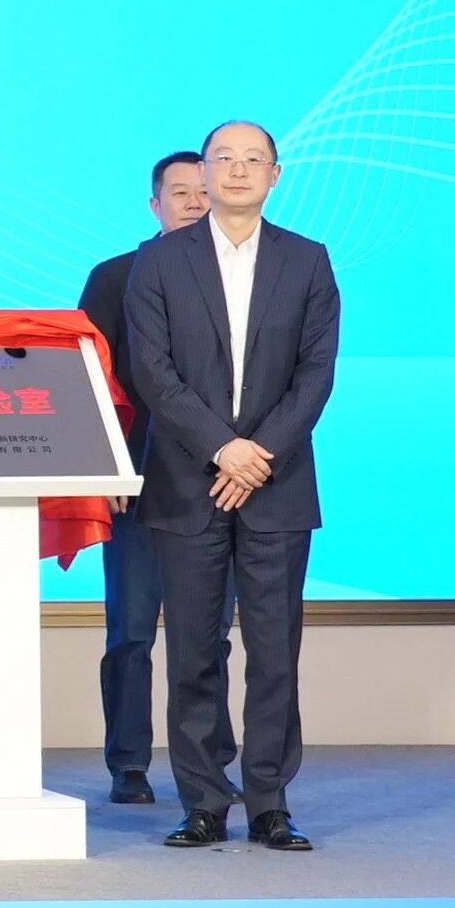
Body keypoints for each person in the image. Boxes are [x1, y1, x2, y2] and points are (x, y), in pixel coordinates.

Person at [121, 119, 340, 853]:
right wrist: (222, 448)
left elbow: (316, 372)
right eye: (224, 158)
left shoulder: (308, 260)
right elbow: (152, 370)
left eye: (253, 159)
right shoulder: (158, 262)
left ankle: (270, 802)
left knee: (275, 651)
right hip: (189, 479)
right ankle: (204, 802)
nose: (238, 169)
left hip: (277, 481)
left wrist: (259, 452)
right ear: (205, 173)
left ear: (275, 175)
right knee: (193, 650)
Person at [75, 150, 211, 806]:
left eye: (204, 191)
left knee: (208, 635)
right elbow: (87, 379)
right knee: (131, 630)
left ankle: (209, 764)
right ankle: (128, 763)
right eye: (180, 193)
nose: (195, 203)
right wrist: (101, 469)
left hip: (215, 481)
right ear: (155, 205)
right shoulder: (114, 277)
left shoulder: (240, 276)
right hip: (134, 479)